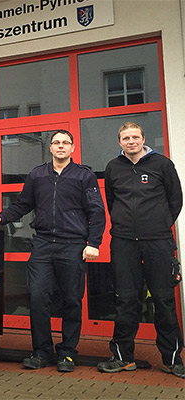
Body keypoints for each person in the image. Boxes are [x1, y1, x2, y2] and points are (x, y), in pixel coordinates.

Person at [0, 129, 106, 372]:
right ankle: (41, 351)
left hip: (72, 246)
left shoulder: (84, 176)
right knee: (38, 298)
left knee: (72, 300)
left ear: (72, 148)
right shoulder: (37, 175)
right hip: (42, 245)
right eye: (56, 143)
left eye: (65, 143)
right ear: (50, 148)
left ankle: (68, 353)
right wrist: (1, 218)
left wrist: (93, 243)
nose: (60, 146)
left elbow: (97, 211)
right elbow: (22, 204)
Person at [97, 122, 185, 379]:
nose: (131, 141)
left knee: (163, 300)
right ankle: (123, 358)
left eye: (135, 137)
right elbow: (112, 200)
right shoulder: (114, 167)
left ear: (143, 139)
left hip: (158, 241)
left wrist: (157, 224)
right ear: (120, 142)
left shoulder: (162, 165)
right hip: (124, 242)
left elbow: (175, 200)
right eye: (126, 138)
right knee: (125, 300)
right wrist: (125, 224)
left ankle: (172, 360)